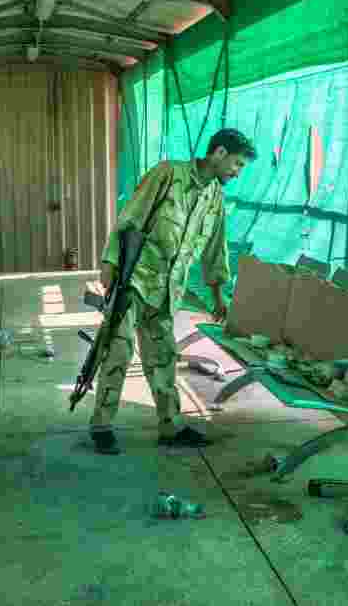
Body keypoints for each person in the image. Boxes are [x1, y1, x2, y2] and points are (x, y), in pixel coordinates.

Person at [90, 128, 258, 454]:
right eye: (236, 164)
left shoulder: (214, 197)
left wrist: (218, 295)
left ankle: (171, 426)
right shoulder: (168, 175)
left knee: (163, 357)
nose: (237, 172)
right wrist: (110, 263)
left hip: (168, 291)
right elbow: (131, 215)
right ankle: (102, 425)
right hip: (136, 280)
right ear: (219, 153)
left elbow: (215, 248)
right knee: (118, 351)